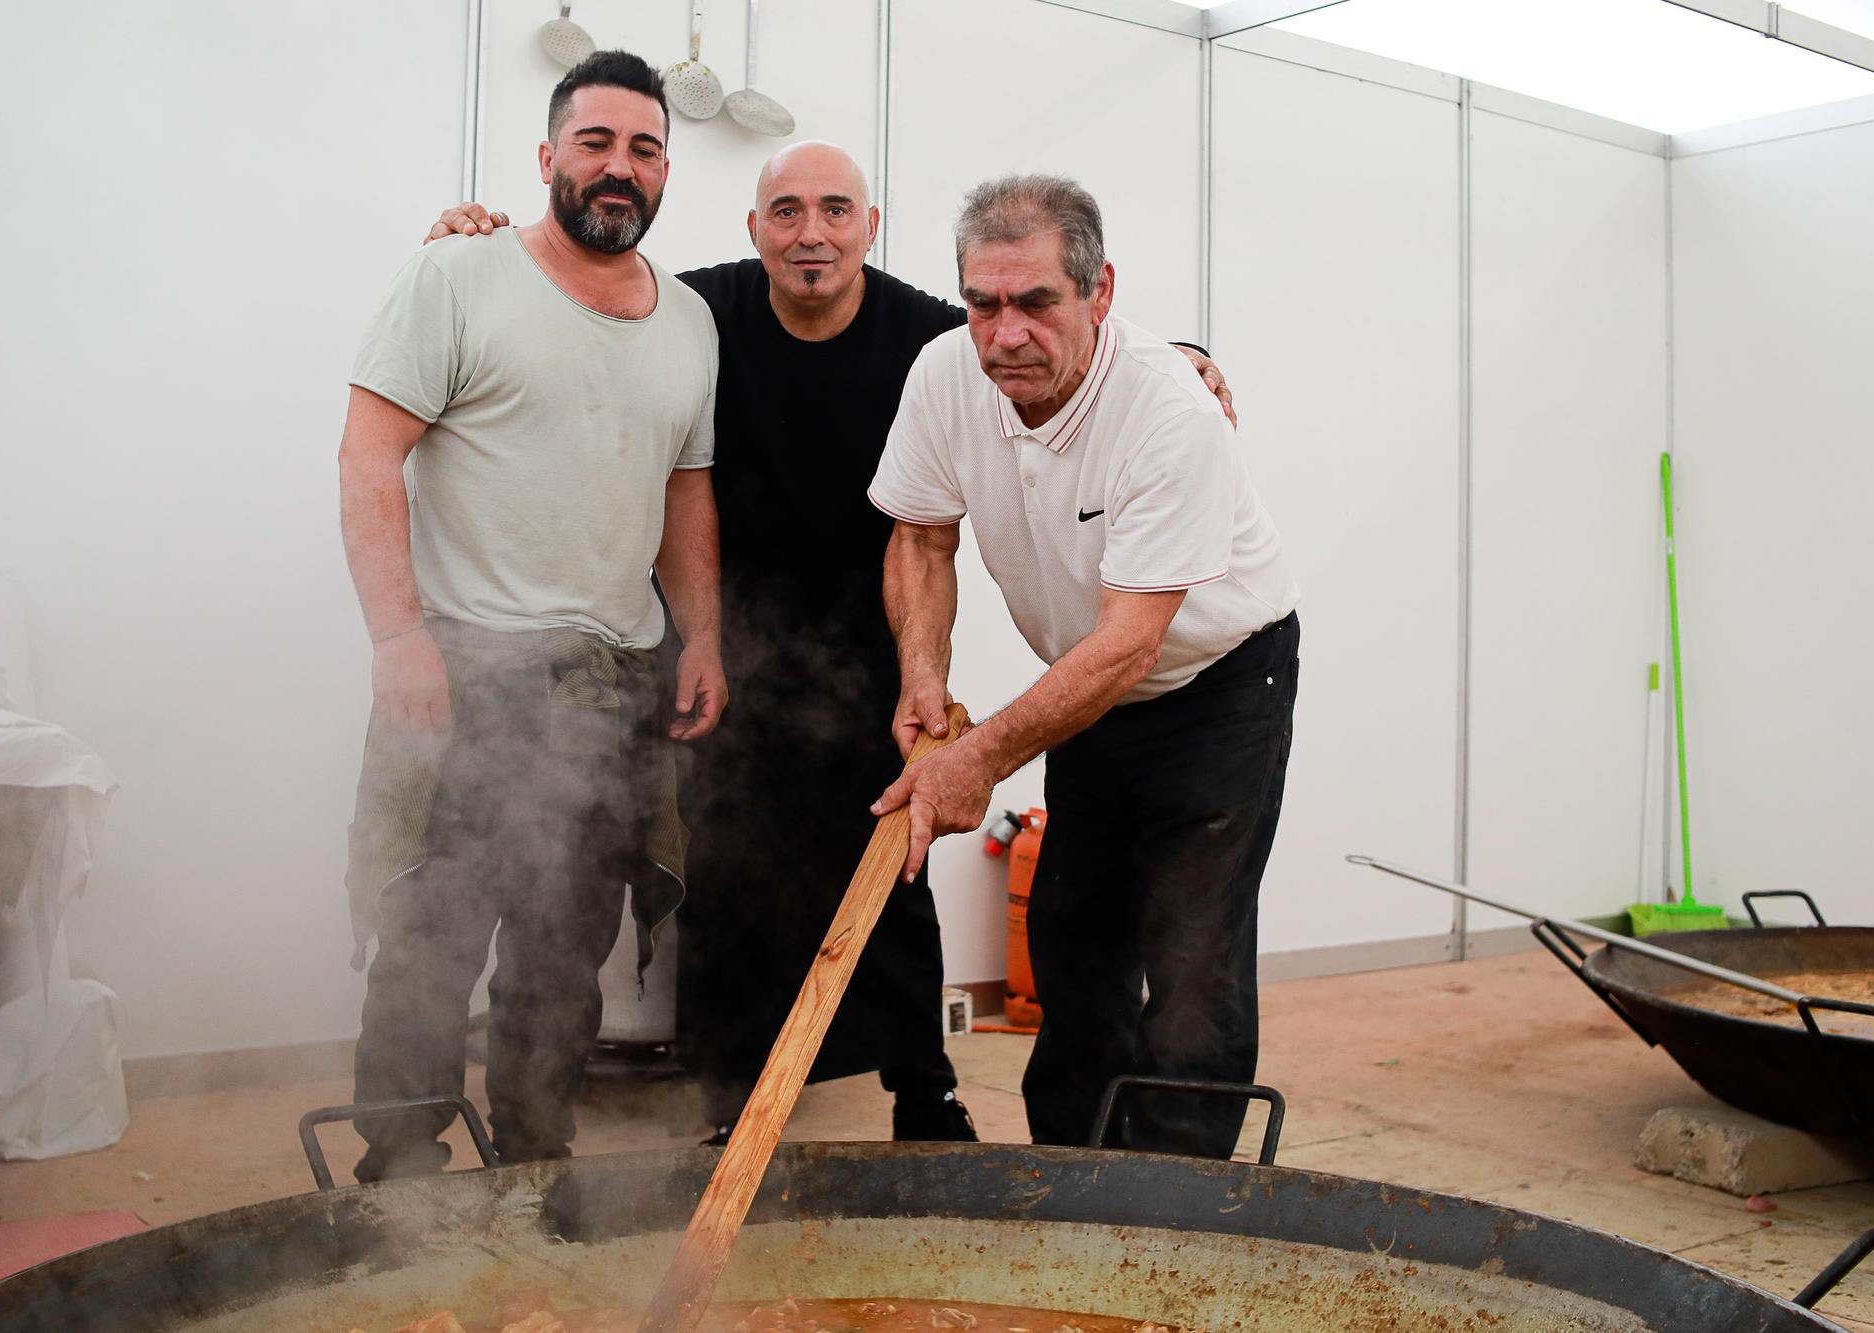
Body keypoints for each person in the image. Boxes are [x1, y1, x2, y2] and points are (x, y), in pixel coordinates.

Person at [426, 145, 1232, 1146]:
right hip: (716, 635)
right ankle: (726, 1089)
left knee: (890, 862)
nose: (811, 232)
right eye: (787, 211)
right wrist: (486, 247)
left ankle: (921, 1086)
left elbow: (1072, 346)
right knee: (721, 861)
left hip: (876, 645)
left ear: (870, 225)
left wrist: (1189, 353)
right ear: (756, 228)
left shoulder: (936, 333)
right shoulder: (695, 309)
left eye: (835, 211)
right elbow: (579, 294)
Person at [337, 51, 724, 1181]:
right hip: (464, 672)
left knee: (565, 950)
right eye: (595, 142)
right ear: (546, 156)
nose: (619, 167)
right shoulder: (454, 278)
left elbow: (684, 489)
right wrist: (397, 635)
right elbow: (368, 455)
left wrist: (699, 633)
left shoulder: (690, 320)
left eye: (643, 149)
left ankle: (535, 1166)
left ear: (664, 170)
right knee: (429, 934)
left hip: (613, 685)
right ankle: (400, 1167)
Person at [868, 174, 1300, 1160]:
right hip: (1092, 687)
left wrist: (975, 759)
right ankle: (1071, 1175)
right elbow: (921, 541)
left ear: (1097, 292)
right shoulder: (943, 376)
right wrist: (920, 673)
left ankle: (1179, 1204)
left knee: (1191, 954)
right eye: (983, 305)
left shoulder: (1166, 410)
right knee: (1071, 936)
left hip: (1219, 682)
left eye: (1034, 304)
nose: (1004, 335)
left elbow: (1130, 641)